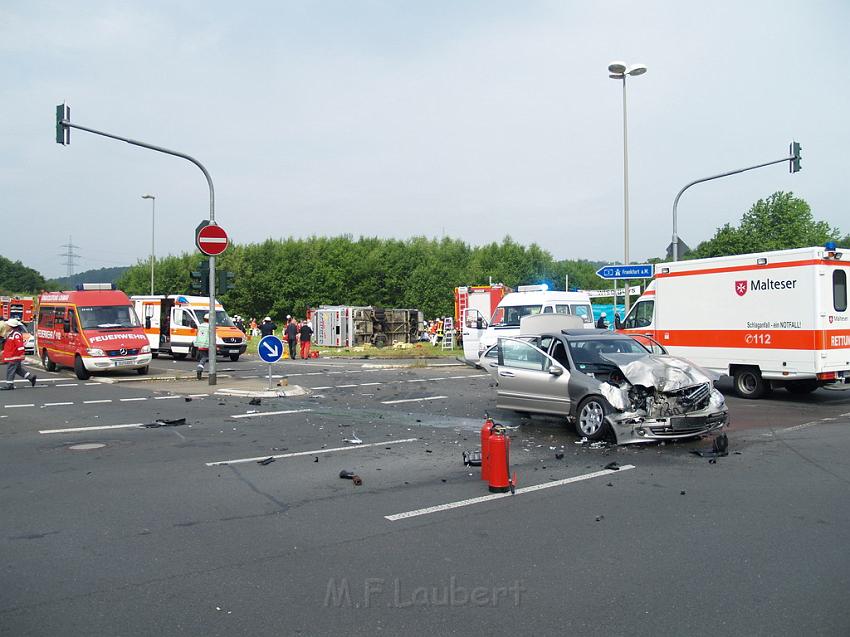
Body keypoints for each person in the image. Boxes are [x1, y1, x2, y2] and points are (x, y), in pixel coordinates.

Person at [2, 319, 37, 390]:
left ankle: (9, 385)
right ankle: (31, 377)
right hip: (12, 356)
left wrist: (22, 354)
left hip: (14, 356)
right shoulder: (11, 333)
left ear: (11, 326)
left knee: (10, 370)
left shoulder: (16, 334)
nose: (6, 326)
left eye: (7, 325)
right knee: (18, 370)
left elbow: (20, 345)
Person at [194, 313, 211, 380]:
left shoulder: (200, 326)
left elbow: (197, 334)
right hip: (207, 345)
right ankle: (200, 369)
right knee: (205, 358)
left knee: (203, 358)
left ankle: (200, 368)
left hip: (199, 345)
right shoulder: (210, 326)